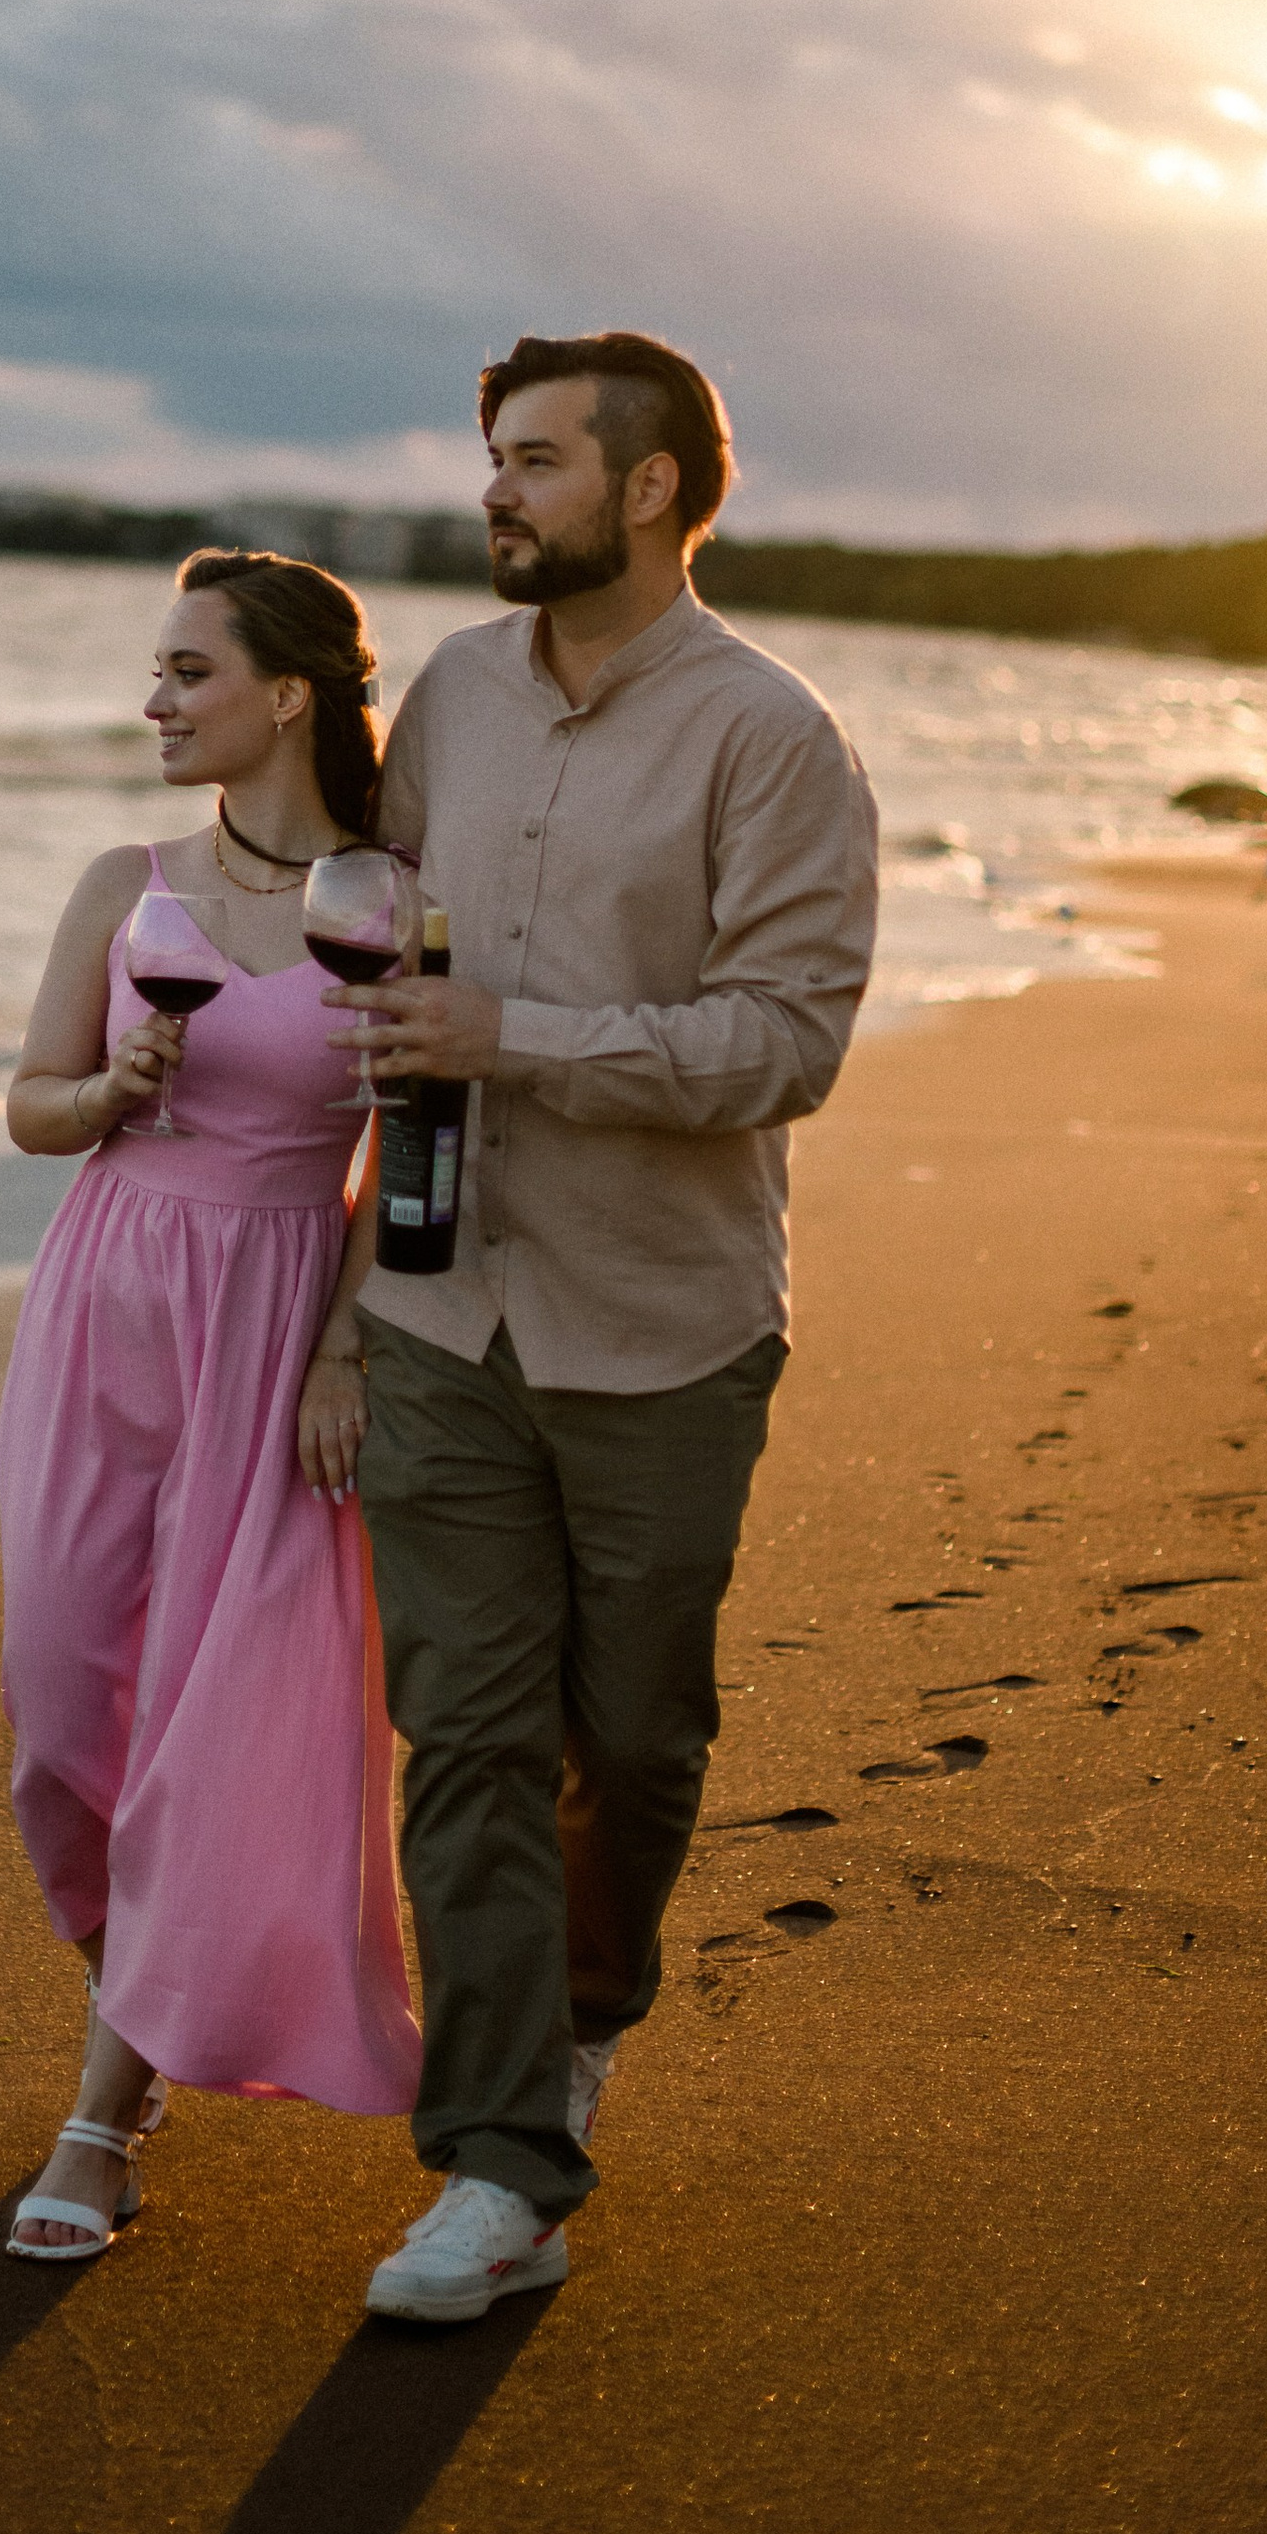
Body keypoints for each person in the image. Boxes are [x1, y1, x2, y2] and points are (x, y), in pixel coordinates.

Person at [299, 331, 878, 2325]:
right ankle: (494, 2170)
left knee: (625, 1743)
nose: (498, 492)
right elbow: (369, 914)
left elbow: (779, 1045)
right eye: (494, 457)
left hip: (663, 1327)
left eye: (537, 460)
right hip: (442, 1306)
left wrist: (509, 1040)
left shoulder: (767, 737)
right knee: (458, 1738)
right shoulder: (452, 695)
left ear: (647, 489)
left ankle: (581, 2021)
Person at [0, 547, 422, 2260]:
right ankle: (153, 1990)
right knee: (60, 1717)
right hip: (105, 1310)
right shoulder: (129, 879)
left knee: (206, 1726)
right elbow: (31, 1105)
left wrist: (347, 1346)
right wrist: (111, 1084)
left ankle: (101, 2114)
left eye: (187, 672)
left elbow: (414, 1155)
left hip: (274, 1325)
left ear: (289, 693)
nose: (156, 702)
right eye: (155, 674)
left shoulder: (391, 902)